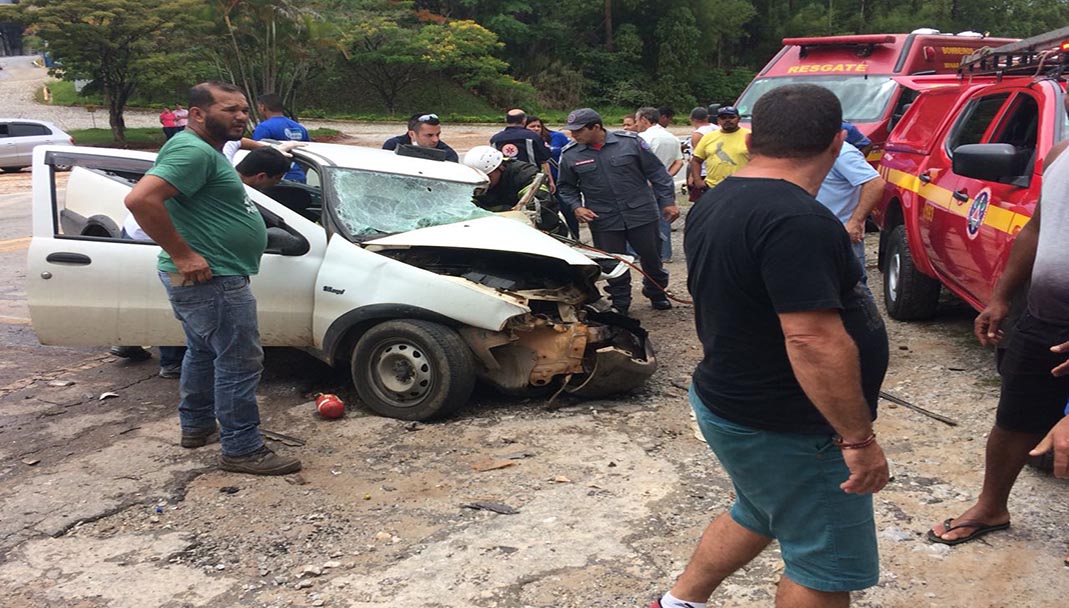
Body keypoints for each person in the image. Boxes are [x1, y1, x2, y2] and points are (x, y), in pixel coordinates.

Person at [659, 84, 889, 608]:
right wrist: (857, 440)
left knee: (760, 511)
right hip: (789, 424)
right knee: (824, 563)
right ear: (836, 143)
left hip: (734, 399)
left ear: (754, 137)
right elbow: (811, 339)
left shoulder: (720, 199)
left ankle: (679, 603)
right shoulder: (798, 220)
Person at [124, 81, 301, 476]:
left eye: (242, 109)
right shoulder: (192, 150)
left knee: (204, 352)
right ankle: (242, 448)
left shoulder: (207, 149)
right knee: (240, 361)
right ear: (198, 114)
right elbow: (140, 200)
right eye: (228, 109)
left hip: (214, 276)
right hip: (213, 278)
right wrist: (183, 254)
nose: (239, 116)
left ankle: (198, 426)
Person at [927, 134, 1069, 549]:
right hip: (1045, 318)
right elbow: (1038, 228)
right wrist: (1001, 298)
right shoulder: (1062, 152)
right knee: (1014, 419)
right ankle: (992, 508)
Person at [557, 108, 678, 314]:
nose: (573, 135)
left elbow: (658, 173)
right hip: (603, 217)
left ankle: (656, 292)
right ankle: (621, 302)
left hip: (641, 213)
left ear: (596, 127)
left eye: (578, 130)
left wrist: (668, 201)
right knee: (614, 262)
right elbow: (566, 187)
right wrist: (577, 207)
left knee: (651, 257)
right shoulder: (570, 154)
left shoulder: (630, 143)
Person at [815, 135, 885, 285]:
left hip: (841, 234)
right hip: (812, 233)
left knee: (854, 290)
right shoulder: (803, 150)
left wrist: (856, 221)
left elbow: (875, 183)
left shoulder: (842, 153)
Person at [461, 145, 566, 236]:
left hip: (541, 231)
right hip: (492, 231)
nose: (483, 182)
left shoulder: (524, 174)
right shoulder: (473, 182)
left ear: (500, 168)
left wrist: (504, 211)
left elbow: (538, 202)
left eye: (488, 176)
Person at [634, 107, 684, 262]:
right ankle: (665, 253)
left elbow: (640, 163)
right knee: (664, 218)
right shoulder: (672, 137)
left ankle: (637, 253)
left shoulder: (642, 138)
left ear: (643, 119)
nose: (636, 125)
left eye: (637, 121)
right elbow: (679, 162)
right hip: (663, 184)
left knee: (640, 219)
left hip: (645, 184)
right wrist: (666, 177)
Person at [526, 115, 579, 238]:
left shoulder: (557, 137)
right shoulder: (526, 141)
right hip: (539, 183)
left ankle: (576, 237)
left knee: (568, 209)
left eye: (538, 126)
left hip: (559, 180)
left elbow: (572, 149)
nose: (536, 129)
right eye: (532, 126)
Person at [689, 106, 750, 194]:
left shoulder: (750, 136)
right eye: (723, 118)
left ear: (739, 118)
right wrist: (697, 180)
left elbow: (761, 160)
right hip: (713, 187)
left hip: (742, 187)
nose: (727, 120)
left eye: (731, 117)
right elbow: (696, 160)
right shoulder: (708, 137)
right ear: (718, 120)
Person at [251, 92, 310, 183]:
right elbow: (309, 154)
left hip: (275, 181)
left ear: (262, 107)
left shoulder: (264, 128)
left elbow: (257, 155)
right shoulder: (300, 128)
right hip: (299, 179)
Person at [489, 109, 553, 188]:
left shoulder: (495, 139)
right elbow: (544, 161)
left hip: (503, 182)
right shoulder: (533, 137)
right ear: (524, 120)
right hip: (529, 179)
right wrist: (550, 181)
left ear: (506, 120)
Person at [382, 112, 459, 163]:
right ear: (412, 134)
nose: (436, 140)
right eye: (429, 135)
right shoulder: (392, 146)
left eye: (438, 134)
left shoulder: (448, 155)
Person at [687, 106, 718, 202]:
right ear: (707, 117)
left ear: (691, 119)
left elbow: (696, 157)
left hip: (703, 172)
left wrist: (692, 176)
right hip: (716, 170)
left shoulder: (698, 134)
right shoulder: (717, 128)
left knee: (702, 203)